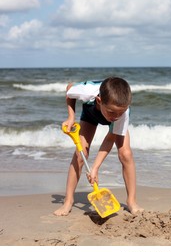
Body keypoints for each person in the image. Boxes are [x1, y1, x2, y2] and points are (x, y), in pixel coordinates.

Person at [54, 77, 143, 216]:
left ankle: (132, 201)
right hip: (91, 114)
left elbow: (110, 138)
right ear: (99, 101)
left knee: (125, 154)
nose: (116, 116)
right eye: (112, 112)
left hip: (109, 118)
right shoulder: (87, 91)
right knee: (80, 154)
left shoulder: (122, 114)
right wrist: (71, 117)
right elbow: (69, 88)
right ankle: (68, 201)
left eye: (120, 112)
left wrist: (95, 168)